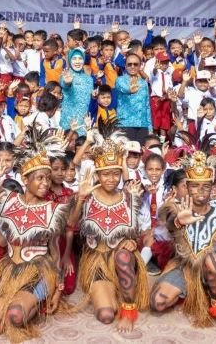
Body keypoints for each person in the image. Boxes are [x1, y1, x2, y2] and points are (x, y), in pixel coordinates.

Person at [0, 127, 70, 341]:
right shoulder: (7, 200)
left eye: (47, 178)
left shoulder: (53, 210)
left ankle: (37, 299)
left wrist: (58, 288)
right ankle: (16, 297)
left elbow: (54, 250)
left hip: (38, 271)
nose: (45, 183)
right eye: (39, 178)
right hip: (10, 269)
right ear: (25, 180)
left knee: (15, 317)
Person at [68, 119, 149, 333]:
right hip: (96, 260)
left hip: (120, 259)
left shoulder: (128, 197)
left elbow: (136, 232)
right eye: (105, 174)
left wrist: (132, 241)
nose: (111, 179)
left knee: (123, 258)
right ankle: (112, 289)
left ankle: (129, 310)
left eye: (115, 173)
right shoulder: (87, 195)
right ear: (97, 175)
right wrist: (81, 200)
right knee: (105, 314)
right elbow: (71, 225)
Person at [151, 151, 216, 333]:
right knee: (157, 302)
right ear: (187, 187)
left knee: (212, 260)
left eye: (205, 186)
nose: (200, 190)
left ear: (213, 189)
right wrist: (179, 221)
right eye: (195, 186)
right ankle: (193, 294)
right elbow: (170, 226)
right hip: (183, 268)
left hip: (210, 269)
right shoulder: (176, 209)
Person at [115, 52, 151, 142]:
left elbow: (147, 106)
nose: (132, 66)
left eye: (135, 64)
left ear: (139, 66)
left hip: (142, 124)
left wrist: (150, 128)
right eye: (129, 64)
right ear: (126, 66)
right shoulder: (120, 80)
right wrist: (130, 90)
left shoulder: (144, 83)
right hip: (125, 124)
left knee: (141, 154)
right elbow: (123, 88)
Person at [60, 48, 93, 132]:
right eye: (74, 59)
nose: (77, 62)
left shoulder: (89, 79)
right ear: (70, 61)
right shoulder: (66, 75)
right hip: (69, 121)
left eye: (80, 58)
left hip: (84, 121)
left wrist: (94, 96)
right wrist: (67, 82)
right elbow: (64, 85)